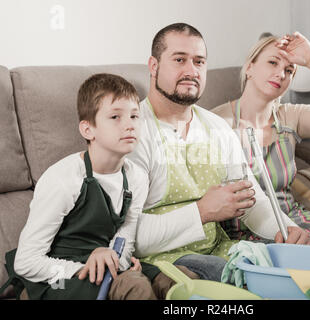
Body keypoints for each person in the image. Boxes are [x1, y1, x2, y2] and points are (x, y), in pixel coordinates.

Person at [128, 23, 310, 283]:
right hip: (159, 263)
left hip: (219, 253)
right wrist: (202, 212)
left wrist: (286, 229)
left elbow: (252, 202)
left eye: (199, 62)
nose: (192, 71)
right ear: (154, 66)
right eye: (179, 59)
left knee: (307, 276)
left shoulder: (216, 127)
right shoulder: (131, 132)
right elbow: (127, 238)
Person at [0, 73, 197, 300]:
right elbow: (26, 262)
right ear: (87, 130)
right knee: (135, 287)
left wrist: (117, 263)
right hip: (54, 278)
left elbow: (124, 241)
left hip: (104, 265)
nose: (130, 125)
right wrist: (85, 269)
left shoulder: (137, 178)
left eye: (134, 116)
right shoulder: (63, 179)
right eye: (115, 117)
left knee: (180, 278)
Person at [212, 32, 310, 239]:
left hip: (294, 221)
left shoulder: (290, 117)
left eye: (289, 70)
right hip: (242, 231)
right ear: (249, 67)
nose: (281, 74)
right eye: (272, 62)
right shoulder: (215, 122)